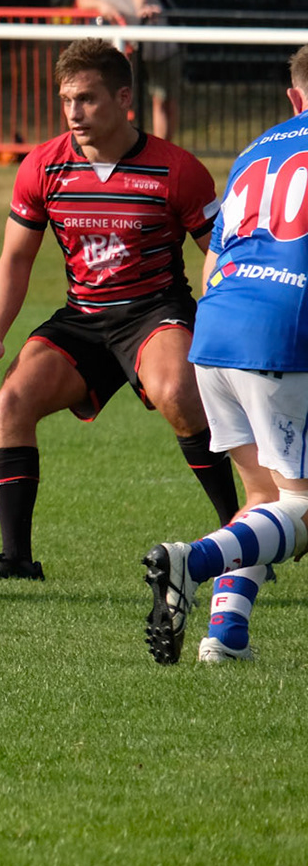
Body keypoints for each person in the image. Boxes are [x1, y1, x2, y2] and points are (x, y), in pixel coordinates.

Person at [0, 38, 239, 580]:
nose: (74, 112)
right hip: (83, 316)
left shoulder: (177, 170)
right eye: (67, 99)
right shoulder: (43, 167)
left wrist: (222, 321)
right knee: (12, 403)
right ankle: (17, 561)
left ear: (123, 98)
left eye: (87, 99)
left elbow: (222, 255)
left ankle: (242, 535)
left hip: (153, 312)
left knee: (179, 394)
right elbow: (15, 260)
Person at [141, 46, 308, 663]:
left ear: (294, 98)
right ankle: (192, 561)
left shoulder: (254, 152)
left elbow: (213, 258)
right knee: (304, 509)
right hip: (283, 334)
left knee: (264, 498)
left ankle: (226, 637)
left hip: (215, 331)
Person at [73, 0, 179, 138]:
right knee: (118, 102)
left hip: (156, 38)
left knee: (162, 100)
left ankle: (164, 156)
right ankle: (125, 152)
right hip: (121, 47)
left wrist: (141, 6)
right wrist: (103, 5)